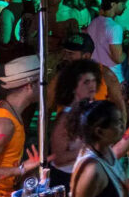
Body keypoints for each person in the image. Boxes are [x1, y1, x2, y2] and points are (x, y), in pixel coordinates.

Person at [0, 55, 42, 197]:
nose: (44, 86)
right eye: (40, 81)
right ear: (30, 85)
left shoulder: (10, 113)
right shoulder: (3, 123)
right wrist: (20, 169)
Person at [48, 59, 101, 188]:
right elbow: (58, 158)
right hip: (66, 180)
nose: (92, 86)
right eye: (86, 82)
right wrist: (91, 149)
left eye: (94, 80)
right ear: (73, 87)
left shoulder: (93, 110)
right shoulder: (65, 118)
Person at [49, 33, 126, 118]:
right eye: (65, 52)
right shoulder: (62, 75)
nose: (65, 57)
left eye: (70, 53)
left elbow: (120, 107)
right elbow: (47, 104)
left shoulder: (105, 75)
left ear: (86, 56)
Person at [69, 101, 127, 197]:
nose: (122, 126)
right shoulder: (92, 170)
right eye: (117, 122)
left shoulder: (107, 151)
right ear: (99, 132)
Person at [87, 0, 126, 81]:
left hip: (95, 74)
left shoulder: (94, 22)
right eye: (122, 4)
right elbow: (118, 58)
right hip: (112, 76)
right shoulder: (115, 27)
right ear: (113, 4)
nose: (125, 7)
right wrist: (127, 53)